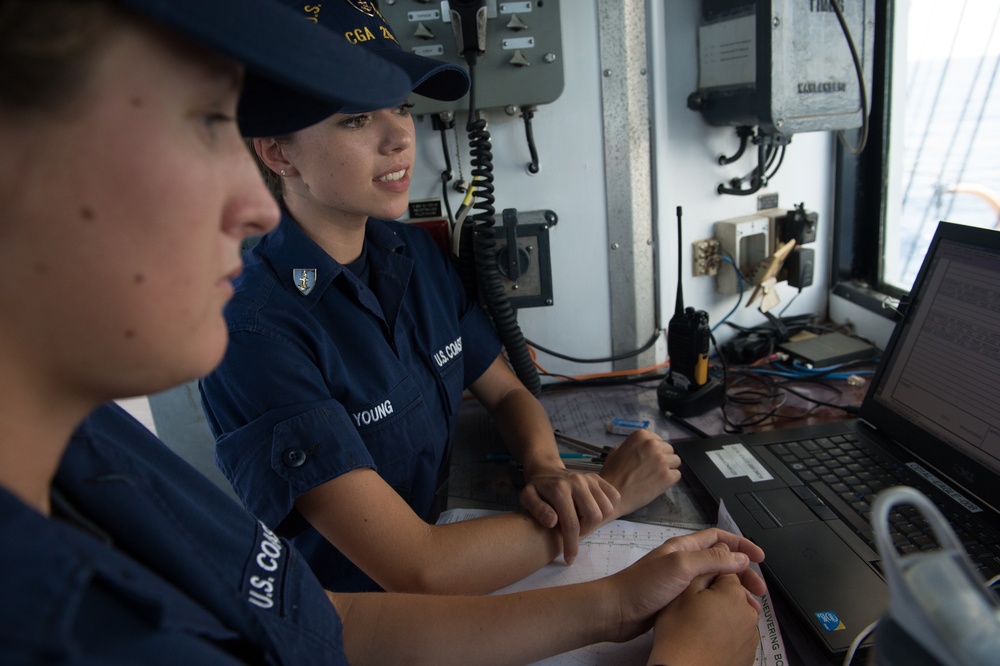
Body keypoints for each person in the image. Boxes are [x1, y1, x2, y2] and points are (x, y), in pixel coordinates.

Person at [0, 0, 766, 663]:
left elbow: (328, 625)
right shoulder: (253, 324)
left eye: (400, 108)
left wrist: (620, 596)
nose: (254, 207)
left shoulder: (101, 453)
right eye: (203, 123)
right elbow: (402, 578)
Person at [199, 0, 683, 595]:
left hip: (466, 551)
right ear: (279, 153)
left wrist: (549, 470)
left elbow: (504, 389)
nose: (400, 135)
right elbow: (416, 568)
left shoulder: (414, 256)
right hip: (373, 621)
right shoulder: (253, 330)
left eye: (401, 106)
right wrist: (608, 496)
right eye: (355, 118)